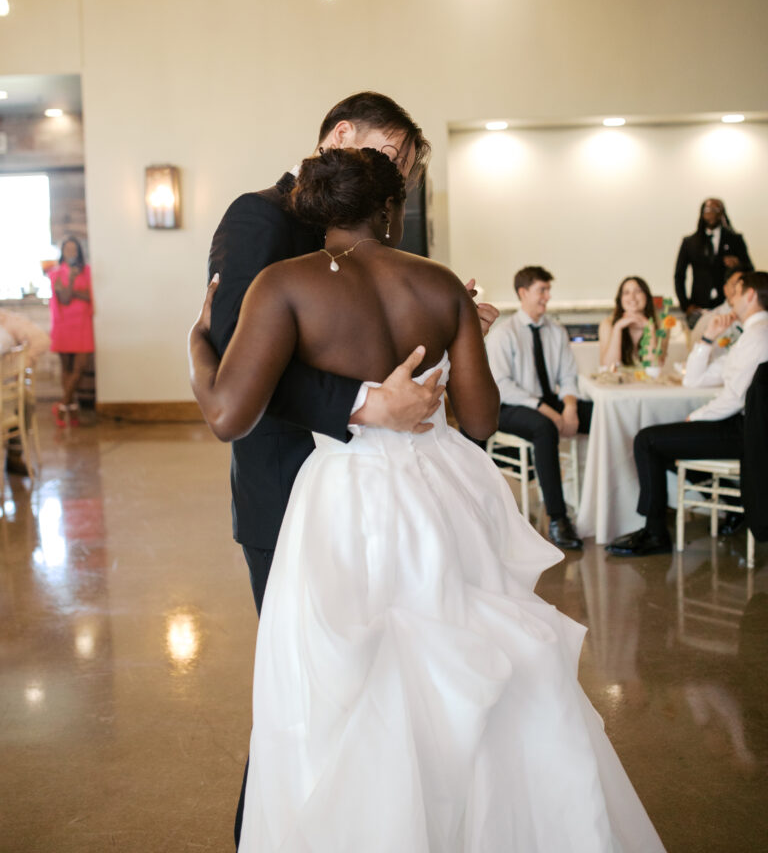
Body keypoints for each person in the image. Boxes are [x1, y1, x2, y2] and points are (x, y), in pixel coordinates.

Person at [189, 148, 665, 853]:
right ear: (392, 210)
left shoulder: (283, 286)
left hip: (345, 496)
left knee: (348, 686)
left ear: (317, 208)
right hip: (441, 496)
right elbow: (478, 418)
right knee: (467, 666)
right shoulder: (439, 285)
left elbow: (229, 414)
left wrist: (201, 341)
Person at [206, 92, 497, 846]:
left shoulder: (358, 262)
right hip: (293, 491)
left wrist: (447, 335)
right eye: (386, 158)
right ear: (341, 138)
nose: (389, 176)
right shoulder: (260, 220)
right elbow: (253, 364)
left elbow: (231, 372)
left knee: (406, 680)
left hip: (390, 499)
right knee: (308, 691)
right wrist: (368, 404)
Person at [606, 270, 768, 557]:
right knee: (661, 441)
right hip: (738, 423)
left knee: (647, 440)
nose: (732, 299)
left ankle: (655, 532)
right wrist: (707, 338)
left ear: (751, 295)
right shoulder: (751, 334)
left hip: (746, 429)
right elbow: (694, 380)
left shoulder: (759, 336)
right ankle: (725, 509)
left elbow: (735, 398)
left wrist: (695, 417)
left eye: (737, 291)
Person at [484, 266, 592, 550]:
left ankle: (600, 499)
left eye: (547, 290)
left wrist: (569, 407)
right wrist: (549, 411)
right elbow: (502, 385)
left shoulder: (556, 331)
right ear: (523, 293)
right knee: (544, 427)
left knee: (595, 414)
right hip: (508, 406)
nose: (547, 296)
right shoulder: (503, 334)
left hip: (547, 399)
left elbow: (568, 377)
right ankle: (558, 518)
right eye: (541, 290)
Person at [674, 198, 753, 327]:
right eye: (707, 209)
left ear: (722, 213)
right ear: (702, 213)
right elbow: (679, 276)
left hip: (727, 306)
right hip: (699, 306)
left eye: (715, 209)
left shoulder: (735, 239)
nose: (711, 213)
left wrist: (739, 264)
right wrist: (686, 305)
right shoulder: (690, 242)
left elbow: (750, 271)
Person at [47, 237, 94, 426]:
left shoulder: (88, 271)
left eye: (74, 249)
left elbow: (90, 295)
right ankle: (72, 408)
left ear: (79, 252)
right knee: (66, 370)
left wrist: (75, 291)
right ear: (63, 252)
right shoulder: (56, 274)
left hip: (83, 324)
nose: (71, 252)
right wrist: (74, 283)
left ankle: (61, 405)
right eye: (67, 249)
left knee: (79, 368)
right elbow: (65, 298)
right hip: (64, 325)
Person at [0, 308, 50, 475]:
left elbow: (42, 340)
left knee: (23, 399)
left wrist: (23, 364)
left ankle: (15, 453)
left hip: (6, 393)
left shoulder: (8, 322)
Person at [598, 275, 663, 368]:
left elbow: (654, 367)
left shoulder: (661, 325)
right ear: (620, 299)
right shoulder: (607, 324)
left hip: (648, 381)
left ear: (647, 296)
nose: (632, 297)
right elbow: (608, 367)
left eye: (638, 291)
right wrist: (617, 327)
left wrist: (650, 328)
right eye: (626, 292)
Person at [690, 265, 744, 352]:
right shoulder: (709, 319)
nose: (739, 290)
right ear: (725, 289)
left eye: (744, 286)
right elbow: (694, 353)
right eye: (735, 284)